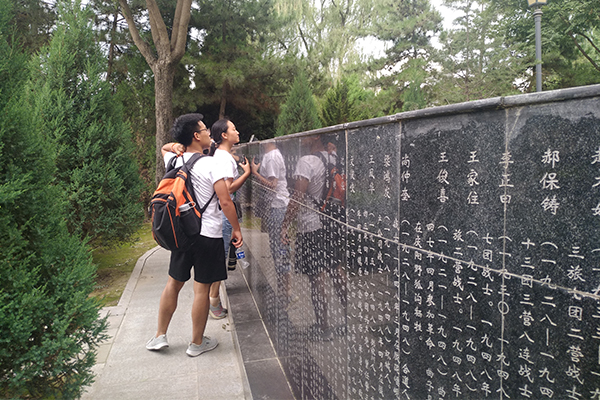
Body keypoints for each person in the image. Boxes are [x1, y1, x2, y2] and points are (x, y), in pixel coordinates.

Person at [145, 113, 243, 357]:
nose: (209, 133)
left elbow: (164, 147)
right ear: (197, 136)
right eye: (205, 130)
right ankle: (197, 343)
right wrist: (236, 229)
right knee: (201, 289)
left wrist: (176, 145)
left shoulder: (174, 160)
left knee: (173, 283)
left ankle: (159, 336)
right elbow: (225, 201)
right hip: (208, 234)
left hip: (182, 233)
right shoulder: (211, 164)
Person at [281, 135, 346, 339]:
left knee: (317, 276)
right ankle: (348, 320)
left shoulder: (306, 161)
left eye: (308, 135)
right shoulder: (333, 158)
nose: (302, 137)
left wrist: (285, 225)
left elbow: (298, 197)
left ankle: (323, 327)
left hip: (311, 225)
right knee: (336, 269)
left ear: (317, 138)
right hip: (331, 222)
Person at [207, 118, 251, 319]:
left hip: (219, 213)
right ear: (224, 135)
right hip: (224, 214)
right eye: (233, 129)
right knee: (221, 257)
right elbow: (228, 189)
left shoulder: (220, 155)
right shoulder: (224, 158)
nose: (237, 132)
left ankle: (213, 298)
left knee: (220, 256)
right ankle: (213, 301)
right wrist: (246, 174)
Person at [250, 140, 294, 305]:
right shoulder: (270, 155)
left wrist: (255, 173)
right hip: (276, 206)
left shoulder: (272, 156)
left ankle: (287, 293)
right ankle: (285, 291)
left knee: (280, 247)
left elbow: (273, 185)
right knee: (278, 247)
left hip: (278, 206)